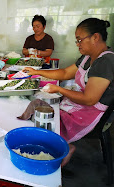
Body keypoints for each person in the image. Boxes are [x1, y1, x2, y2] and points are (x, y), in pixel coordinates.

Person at [23, 18, 113, 166]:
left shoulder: (105, 61)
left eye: (79, 40)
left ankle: (57, 150)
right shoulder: (87, 57)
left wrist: (58, 89)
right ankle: (58, 145)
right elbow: (65, 73)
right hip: (78, 104)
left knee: (47, 120)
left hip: (89, 113)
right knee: (38, 108)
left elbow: (89, 99)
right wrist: (36, 72)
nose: (77, 44)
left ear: (95, 37)